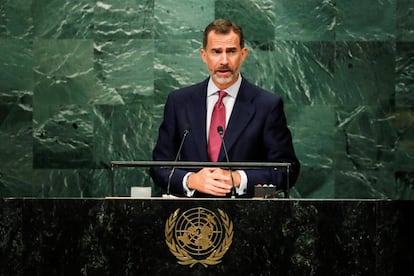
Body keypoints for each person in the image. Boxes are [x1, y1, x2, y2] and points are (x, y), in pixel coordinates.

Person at [150, 19, 300, 197]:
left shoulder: (267, 105)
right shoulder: (179, 102)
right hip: (191, 217)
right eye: (216, 52)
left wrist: (238, 178)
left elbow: (287, 170)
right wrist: (191, 180)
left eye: (231, 51)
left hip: (247, 216)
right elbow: (159, 166)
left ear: (243, 54)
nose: (224, 60)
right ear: (204, 55)